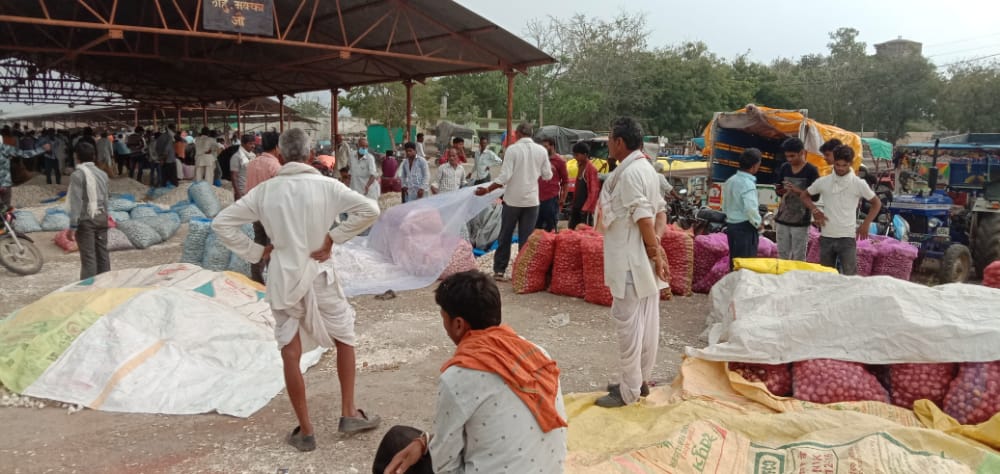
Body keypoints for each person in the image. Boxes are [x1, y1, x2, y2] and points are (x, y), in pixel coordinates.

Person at [212, 128, 382, 452]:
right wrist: (334, 236)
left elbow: (222, 222)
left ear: (280, 154)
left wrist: (256, 251)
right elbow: (370, 210)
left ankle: (305, 431)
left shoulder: (265, 192)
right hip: (320, 274)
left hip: (283, 276)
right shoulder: (328, 186)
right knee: (345, 338)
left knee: (290, 351)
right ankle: (349, 412)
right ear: (309, 155)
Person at [374, 271, 568, 474]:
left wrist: (427, 444)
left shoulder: (460, 376)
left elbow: (446, 467)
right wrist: (424, 441)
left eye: (444, 318)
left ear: (458, 324)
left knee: (395, 441)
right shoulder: (536, 353)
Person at [593, 117, 669, 408]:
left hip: (630, 261)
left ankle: (629, 392)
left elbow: (645, 217)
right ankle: (640, 381)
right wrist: (656, 248)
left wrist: (653, 250)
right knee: (647, 322)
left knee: (628, 326)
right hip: (641, 261)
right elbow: (660, 214)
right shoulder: (646, 170)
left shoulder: (629, 174)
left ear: (620, 142)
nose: (609, 145)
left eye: (610, 139)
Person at [476, 122, 552, 281]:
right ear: (531, 134)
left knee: (505, 235)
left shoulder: (512, 150)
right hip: (531, 201)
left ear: (517, 134)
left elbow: (504, 177)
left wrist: (487, 190)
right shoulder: (541, 151)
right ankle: (523, 273)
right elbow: (547, 176)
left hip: (512, 200)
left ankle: (499, 270)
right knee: (526, 238)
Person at [792, 145, 881, 275]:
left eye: (844, 165)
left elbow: (876, 203)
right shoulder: (824, 182)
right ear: (834, 162)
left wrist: (866, 224)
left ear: (850, 164)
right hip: (827, 236)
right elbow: (804, 196)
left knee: (850, 276)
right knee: (826, 276)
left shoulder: (858, 183)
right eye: (837, 164)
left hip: (847, 237)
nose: (840, 168)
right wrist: (815, 211)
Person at [65, 142, 110, 281]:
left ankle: (88, 290)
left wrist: (72, 226)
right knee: (103, 255)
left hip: (86, 220)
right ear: (94, 156)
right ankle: (106, 285)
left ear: (76, 157)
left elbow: (76, 202)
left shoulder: (77, 175)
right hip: (101, 217)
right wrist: (106, 217)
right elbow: (107, 198)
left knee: (89, 258)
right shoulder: (103, 174)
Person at [244, 131, 283, 284]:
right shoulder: (275, 166)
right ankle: (274, 282)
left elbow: (247, 189)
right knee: (273, 247)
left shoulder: (252, 163)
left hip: (255, 211)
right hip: (271, 214)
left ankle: (257, 279)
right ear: (277, 146)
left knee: (259, 243)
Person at [774, 138, 820, 261]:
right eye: (787, 156)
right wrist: (781, 190)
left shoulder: (811, 170)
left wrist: (798, 191)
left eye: (792, 156)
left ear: (802, 153)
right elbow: (778, 189)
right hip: (782, 218)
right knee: (782, 255)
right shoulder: (785, 168)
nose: (789, 159)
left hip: (801, 221)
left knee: (798, 256)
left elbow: (816, 197)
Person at [722, 148, 762, 269]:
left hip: (732, 226)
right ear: (755, 165)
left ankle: (733, 286)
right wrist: (758, 223)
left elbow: (725, 204)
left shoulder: (730, 181)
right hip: (745, 227)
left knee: (734, 262)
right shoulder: (748, 184)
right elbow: (750, 208)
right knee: (746, 265)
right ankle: (741, 287)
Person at [1, 141, 48, 210]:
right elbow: (25, 154)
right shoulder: (4, 148)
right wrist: (42, 149)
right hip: (4, 184)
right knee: (5, 209)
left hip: (4, 184)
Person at [536, 137, 569, 232]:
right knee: (537, 227)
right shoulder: (539, 160)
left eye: (545, 146)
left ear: (552, 146)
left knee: (550, 227)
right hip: (537, 198)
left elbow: (565, 182)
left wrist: (563, 198)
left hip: (551, 198)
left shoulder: (560, 162)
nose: (543, 149)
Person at [568, 141, 600, 230]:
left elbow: (594, 191)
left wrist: (586, 208)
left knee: (584, 232)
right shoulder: (580, 166)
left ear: (585, 155)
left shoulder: (591, 170)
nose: (575, 157)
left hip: (585, 210)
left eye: (577, 155)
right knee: (572, 229)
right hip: (577, 207)